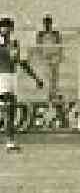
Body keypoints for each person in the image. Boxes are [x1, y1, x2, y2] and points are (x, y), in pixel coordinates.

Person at [0, 17, 43, 152]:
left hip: (11, 78)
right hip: (3, 77)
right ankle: (10, 142)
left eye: (8, 27)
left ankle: (10, 141)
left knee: (10, 111)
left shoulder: (14, 43)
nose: (5, 29)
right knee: (8, 109)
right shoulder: (4, 43)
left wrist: (35, 78)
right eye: (3, 26)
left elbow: (20, 62)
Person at [33, 14, 64, 113]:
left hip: (54, 57)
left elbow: (60, 45)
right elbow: (38, 46)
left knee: (54, 77)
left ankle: (53, 95)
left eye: (49, 23)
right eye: (45, 23)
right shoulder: (40, 34)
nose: (47, 25)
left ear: (51, 24)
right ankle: (49, 96)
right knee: (47, 77)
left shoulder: (56, 33)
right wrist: (41, 57)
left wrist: (58, 56)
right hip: (45, 58)